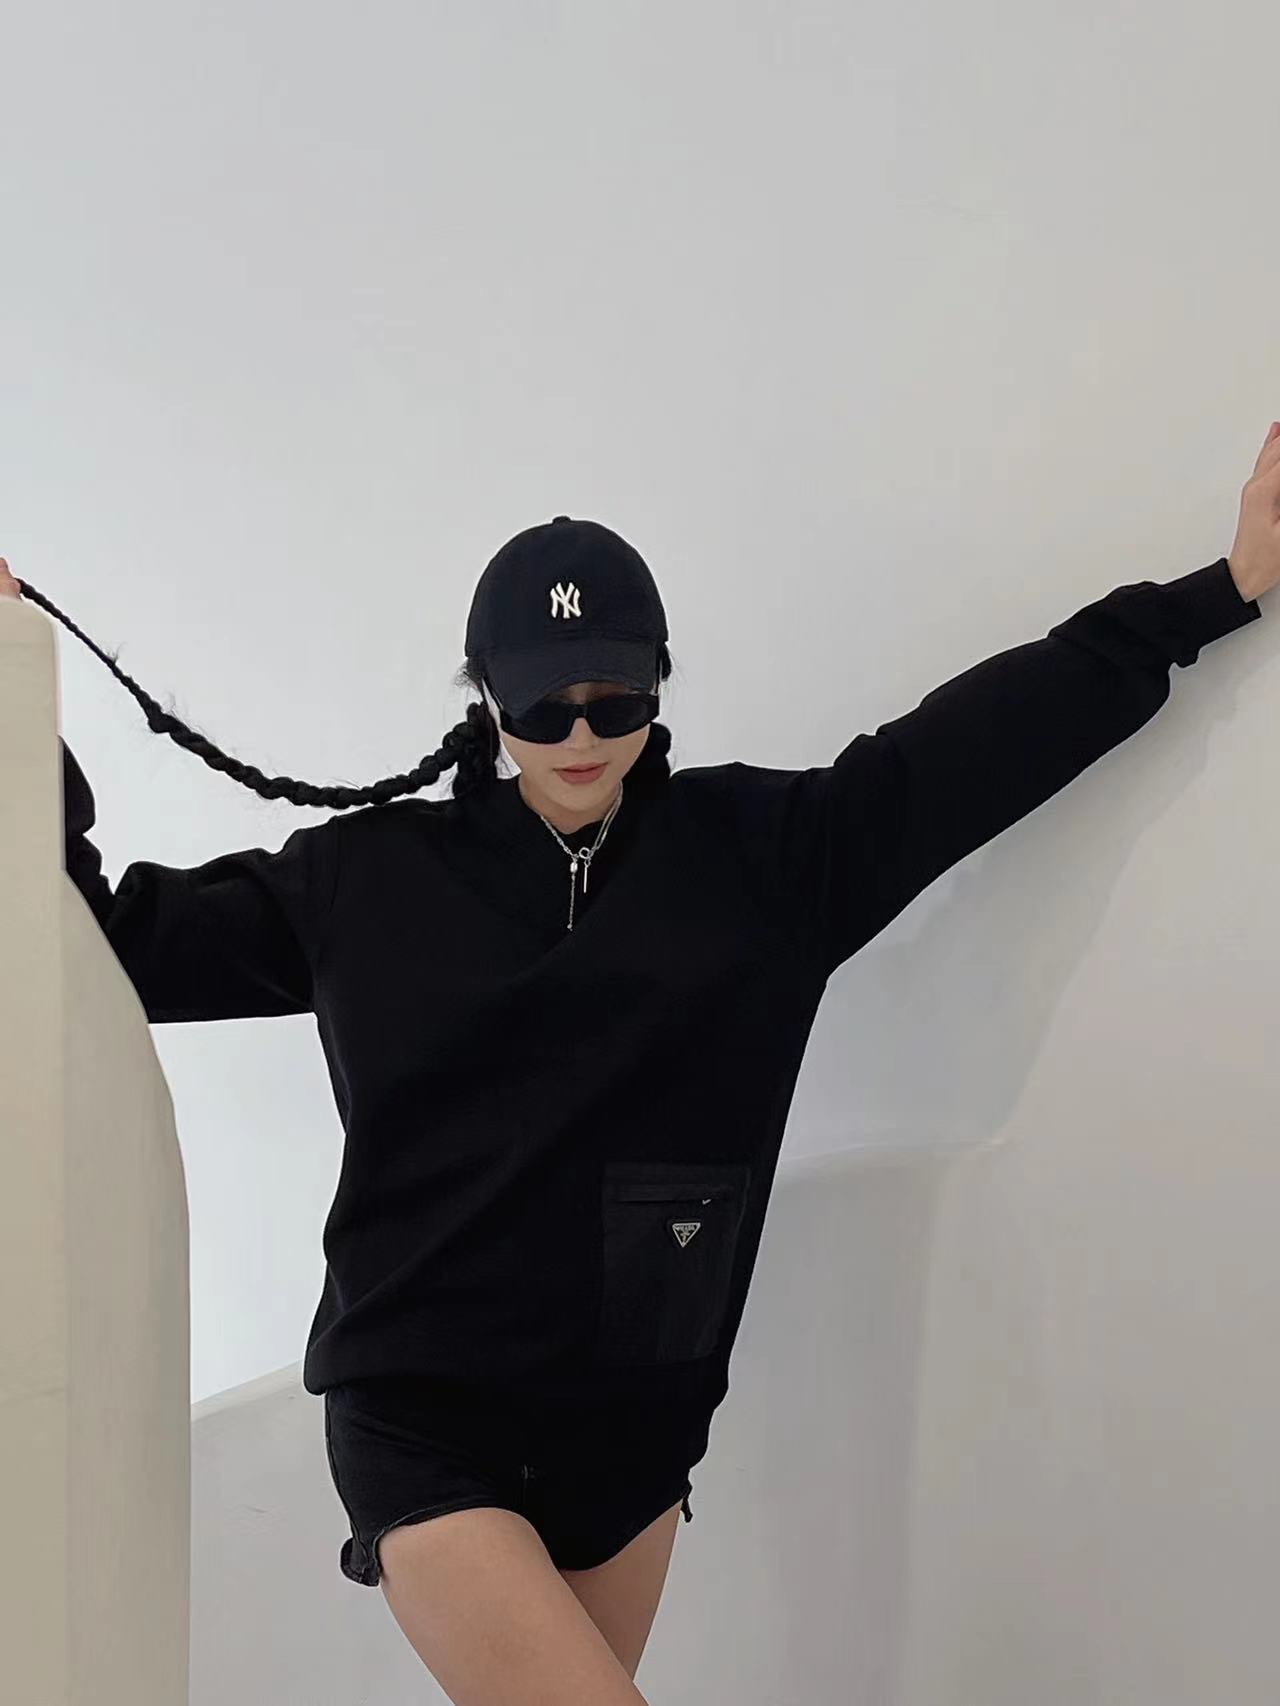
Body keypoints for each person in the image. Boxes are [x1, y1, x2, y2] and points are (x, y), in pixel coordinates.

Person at [2, 441, 1277, 1702]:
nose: (579, 732)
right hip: (420, 1419)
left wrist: (1220, 587)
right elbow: (104, 946)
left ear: (657, 684)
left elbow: (984, 742)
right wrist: (12, 688)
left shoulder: (768, 860)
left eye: (614, 698)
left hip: (632, 1435)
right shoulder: (363, 881)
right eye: (542, 703)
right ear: (484, 696)